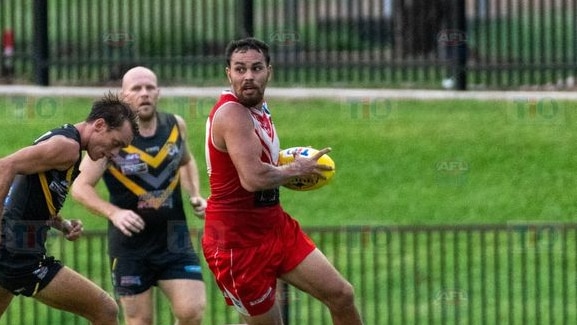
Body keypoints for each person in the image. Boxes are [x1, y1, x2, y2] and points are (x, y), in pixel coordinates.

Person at [203, 37, 364, 325]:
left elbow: (259, 165)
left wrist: (284, 167)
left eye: (256, 68)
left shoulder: (260, 108)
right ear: (228, 73)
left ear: (269, 71)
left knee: (341, 295)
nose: (248, 76)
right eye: (240, 69)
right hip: (236, 244)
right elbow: (253, 178)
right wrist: (296, 169)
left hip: (274, 226)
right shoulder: (232, 114)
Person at [71, 66, 207, 325]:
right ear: (123, 96)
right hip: (130, 246)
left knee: (192, 312)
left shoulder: (175, 125)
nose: (144, 93)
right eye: (136, 88)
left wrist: (196, 195)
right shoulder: (111, 138)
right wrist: (114, 213)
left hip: (174, 239)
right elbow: (80, 187)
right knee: (140, 320)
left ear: (158, 92)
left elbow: (186, 161)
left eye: (149, 87)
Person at [0, 93, 139, 325]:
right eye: (116, 144)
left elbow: (27, 195)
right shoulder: (68, 147)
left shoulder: (67, 145)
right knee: (105, 310)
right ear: (100, 125)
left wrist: (62, 224)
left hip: (12, 252)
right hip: (19, 255)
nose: (114, 154)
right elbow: (5, 167)